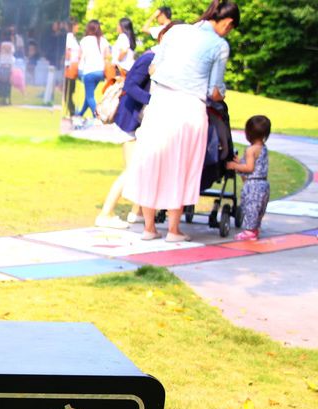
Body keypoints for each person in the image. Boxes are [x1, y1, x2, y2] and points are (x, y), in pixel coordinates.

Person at [122, 1, 239, 242]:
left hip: (160, 102)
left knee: (153, 162)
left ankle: (149, 227)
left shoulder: (176, 31)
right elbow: (214, 90)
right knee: (181, 166)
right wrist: (220, 93)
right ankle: (173, 230)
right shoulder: (219, 45)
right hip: (189, 107)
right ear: (227, 23)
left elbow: (154, 68)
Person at [95, 22, 179, 228]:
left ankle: (137, 212)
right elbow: (131, 86)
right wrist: (152, 100)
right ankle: (106, 214)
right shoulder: (150, 58)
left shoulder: (163, 60)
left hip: (138, 122)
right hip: (128, 121)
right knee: (132, 169)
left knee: (142, 166)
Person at [226, 115, 271, 241]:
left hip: (253, 185)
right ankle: (255, 229)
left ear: (249, 133)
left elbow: (249, 168)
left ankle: (249, 232)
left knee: (250, 207)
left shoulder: (251, 150)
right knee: (258, 209)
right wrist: (240, 161)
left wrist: (235, 165)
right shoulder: (263, 148)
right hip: (263, 184)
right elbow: (256, 165)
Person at [75, 20, 110, 124]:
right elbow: (107, 56)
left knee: (90, 96)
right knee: (88, 95)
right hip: (100, 71)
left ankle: (98, 117)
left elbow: (79, 56)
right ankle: (81, 113)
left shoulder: (84, 40)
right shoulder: (103, 40)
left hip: (89, 71)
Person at [63, 18, 81, 119]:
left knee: (71, 89)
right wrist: (68, 64)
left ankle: (71, 109)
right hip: (70, 66)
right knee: (69, 89)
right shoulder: (69, 37)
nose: (78, 28)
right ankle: (70, 110)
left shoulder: (73, 38)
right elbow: (68, 52)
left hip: (74, 65)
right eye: (76, 26)